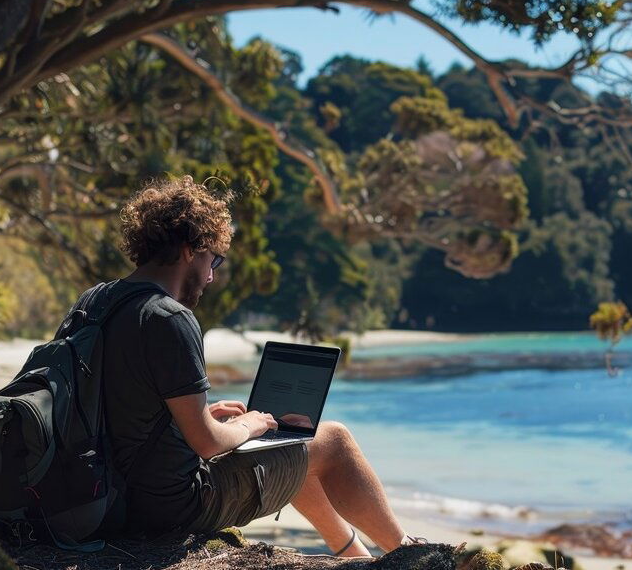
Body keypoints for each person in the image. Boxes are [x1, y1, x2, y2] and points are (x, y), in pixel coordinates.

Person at [75, 175, 415, 556]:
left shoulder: (95, 302)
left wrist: (203, 414)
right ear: (191, 249)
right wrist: (248, 425)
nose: (211, 276)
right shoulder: (169, 317)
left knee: (284, 437)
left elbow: (116, 406)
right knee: (330, 441)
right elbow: (206, 443)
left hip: (102, 495)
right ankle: (410, 555)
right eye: (213, 260)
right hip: (168, 506)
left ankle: (354, 556)